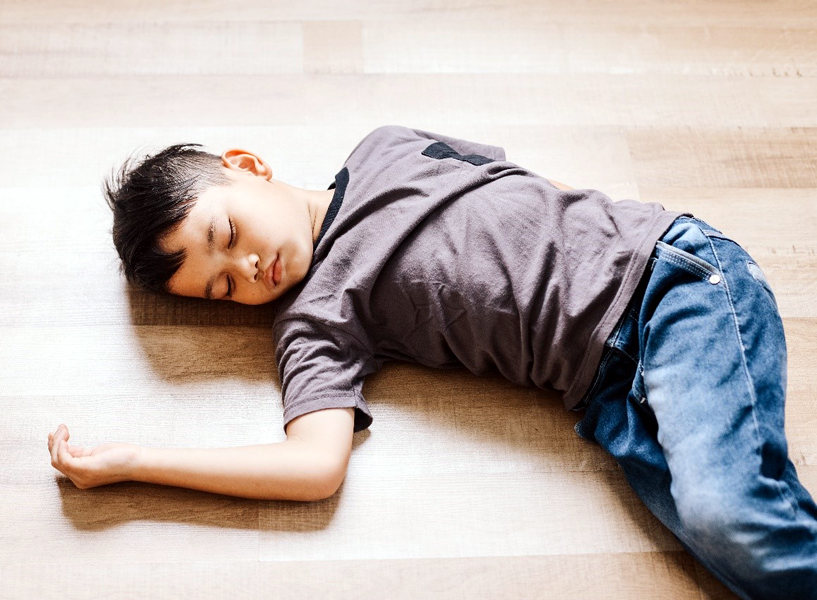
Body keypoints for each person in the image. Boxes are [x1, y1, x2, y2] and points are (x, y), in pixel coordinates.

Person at [47, 125, 817, 599]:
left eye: (227, 234)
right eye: (221, 287)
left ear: (246, 166)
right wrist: (135, 463)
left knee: (731, 519)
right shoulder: (314, 326)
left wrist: (621, 234)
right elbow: (313, 467)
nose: (247, 269)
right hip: (606, 391)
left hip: (664, 282)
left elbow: (524, 183)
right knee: (730, 547)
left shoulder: (384, 149)